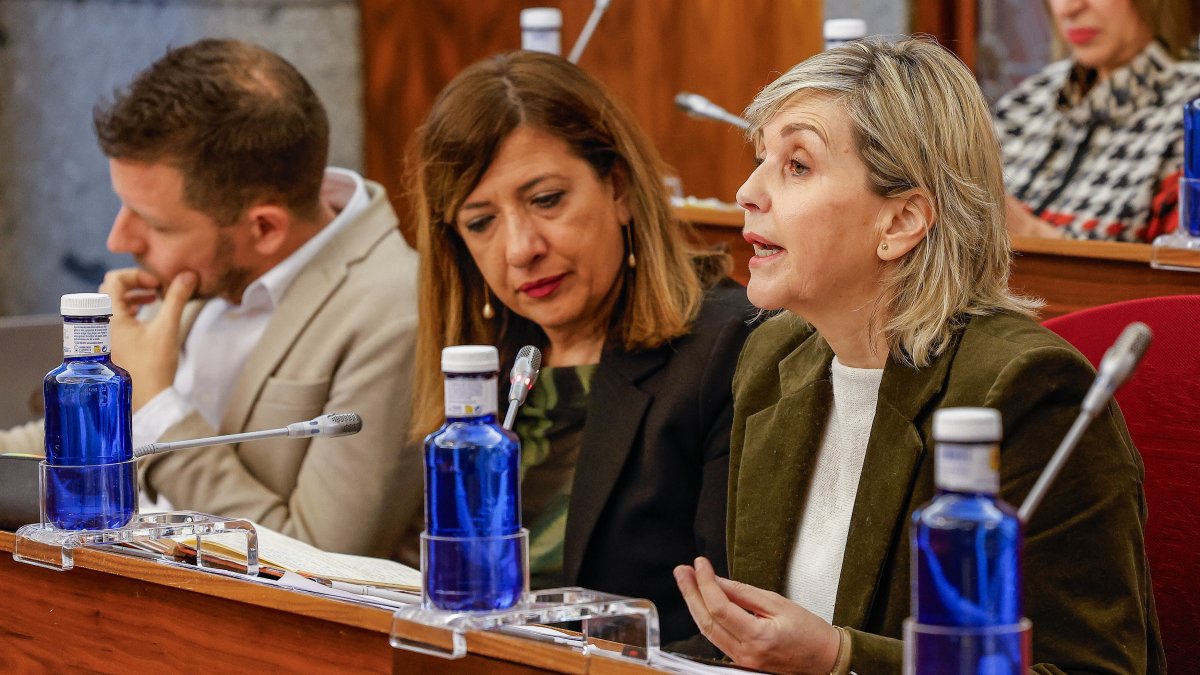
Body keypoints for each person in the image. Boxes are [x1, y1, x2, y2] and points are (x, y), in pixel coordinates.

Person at [673, 38, 1164, 673]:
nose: (745, 191)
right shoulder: (774, 356)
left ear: (901, 221)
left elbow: (1093, 670)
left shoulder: (1024, 389)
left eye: (796, 164)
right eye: (760, 157)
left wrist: (841, 658)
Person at [0, 39, 422, 558]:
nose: (119, 241)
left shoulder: (395, 311)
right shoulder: (204, 269)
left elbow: (320, 556)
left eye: (154, 223)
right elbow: (60, 451)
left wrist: (153, 402)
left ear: (264, 228)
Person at [408, 51, 756, 643]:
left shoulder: (730, 348)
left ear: (617, 188)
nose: (520, 249)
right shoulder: (483, 376)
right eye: (481, 222)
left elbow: (736, 629)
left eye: (546, 200)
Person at [995, 0, 1200, 241]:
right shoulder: (1027, 99)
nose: (1067, 9)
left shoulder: (1191, 112)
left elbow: (1182, 272)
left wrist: (1029, 232)